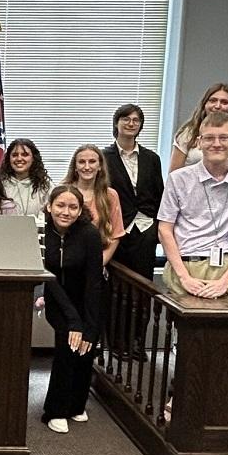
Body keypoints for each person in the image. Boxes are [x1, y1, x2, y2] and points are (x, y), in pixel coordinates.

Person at [158, 112, 228, 298]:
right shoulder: (178, 179)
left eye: (224, 138)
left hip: (223, 270)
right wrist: (184, 277)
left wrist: (225, 281)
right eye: (209, 138)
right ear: (199, 142)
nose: (216, 144)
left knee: (219, 318)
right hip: (182, 266)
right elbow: (164, 229)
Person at [36, 185, 102, 434]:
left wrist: (90, 327)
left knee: (86, 346)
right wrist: (74, 321)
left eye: (73, 207)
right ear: (49, 206)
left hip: (86, 300)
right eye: (60, 205)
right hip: (58, 300)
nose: (66, 212)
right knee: (68, 343)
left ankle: (76, 405)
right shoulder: (41, 231)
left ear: (80, 210)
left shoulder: (89, 234)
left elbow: (94, 282)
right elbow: (49, 278)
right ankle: (55, 410)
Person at [103, 104, 163, 280]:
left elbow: (159, 194)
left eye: (136, 120)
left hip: (146, 228)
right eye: (126, 119)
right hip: (116, 227)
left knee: (144, 281)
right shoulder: (103, 157)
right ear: (116, 123)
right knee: (115, 282)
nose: (131, 123)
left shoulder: (151, 158)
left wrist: (157, 229)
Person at [169, 83, 228, 173]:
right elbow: (173, 174)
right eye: (213, 101)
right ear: (205, 104)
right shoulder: (187, 133)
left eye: (224, 102)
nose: (217, 106)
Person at [63, 145, 124, 265]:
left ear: (100, 166)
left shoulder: (110, 195)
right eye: (81, 162)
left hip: (95, 261)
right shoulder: (63, 192)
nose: (87, 167)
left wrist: (100, 262)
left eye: (92, 162)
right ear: (75, 167)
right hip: (65, 261)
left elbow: (116, 235)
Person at [0, 138, 51, 221]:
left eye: (25, 154)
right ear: (8, 159)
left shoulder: (46, 186)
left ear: (33, 158)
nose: (19, 159)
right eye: (15, 155)